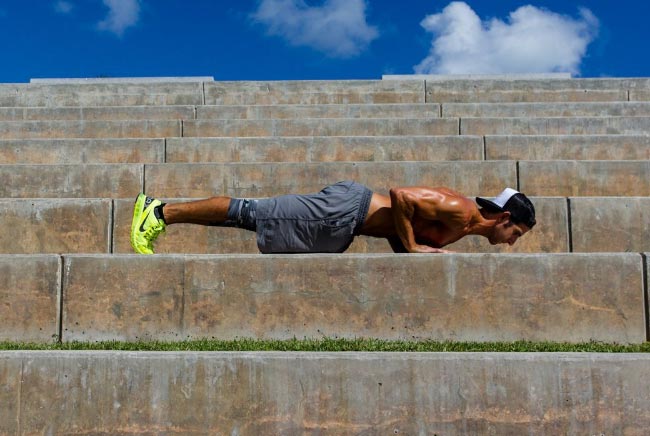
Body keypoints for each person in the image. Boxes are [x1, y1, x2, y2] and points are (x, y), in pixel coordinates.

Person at [130, 180, 536, 255]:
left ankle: (162, 214)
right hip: (346, 211)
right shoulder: (460, 210)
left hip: (346, 223)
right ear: (503, 217)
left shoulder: (466, 227)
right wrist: (412, 246)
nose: (512, 241)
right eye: (515, 232)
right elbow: (401, 196)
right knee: (251, 212)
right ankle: (161, 211)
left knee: (247, 219)